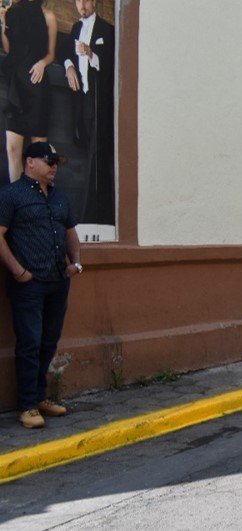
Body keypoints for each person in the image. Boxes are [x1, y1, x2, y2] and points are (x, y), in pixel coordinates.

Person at [0, 142, 82, 429]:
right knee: (30, 343)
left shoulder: (59, 196)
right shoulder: (11, 195)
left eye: (56, 162)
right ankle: (27, 406)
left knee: (48, 341)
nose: (54, 166)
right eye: (49, 161)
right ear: (30, 162)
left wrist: (76, 262)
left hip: (57, 281)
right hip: (29, 285)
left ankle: (39, 397)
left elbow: (70, 232)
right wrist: (18, 271)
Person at [62, 0, 114, 224]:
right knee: (87, 153)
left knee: (97, 155)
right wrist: (69, 67)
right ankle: (93, 213)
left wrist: (91, 54)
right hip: (82, 101)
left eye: (85, 0)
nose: (82, 4)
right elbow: (65, 52)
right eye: (78, 1)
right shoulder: (75, 28)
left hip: (99, 101)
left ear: (93, 2)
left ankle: (91, 215)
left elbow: (110, 63)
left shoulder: (106, 29)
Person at [1, 0, 58, 183]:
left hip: (37, 86)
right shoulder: (14, 12)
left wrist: (42, 63)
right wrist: (3, 23)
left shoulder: (48, 16)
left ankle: (35, 199)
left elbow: (51, 54)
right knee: (12, 149)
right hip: (16, 86)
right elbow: (9, 49)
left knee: (38, 156)